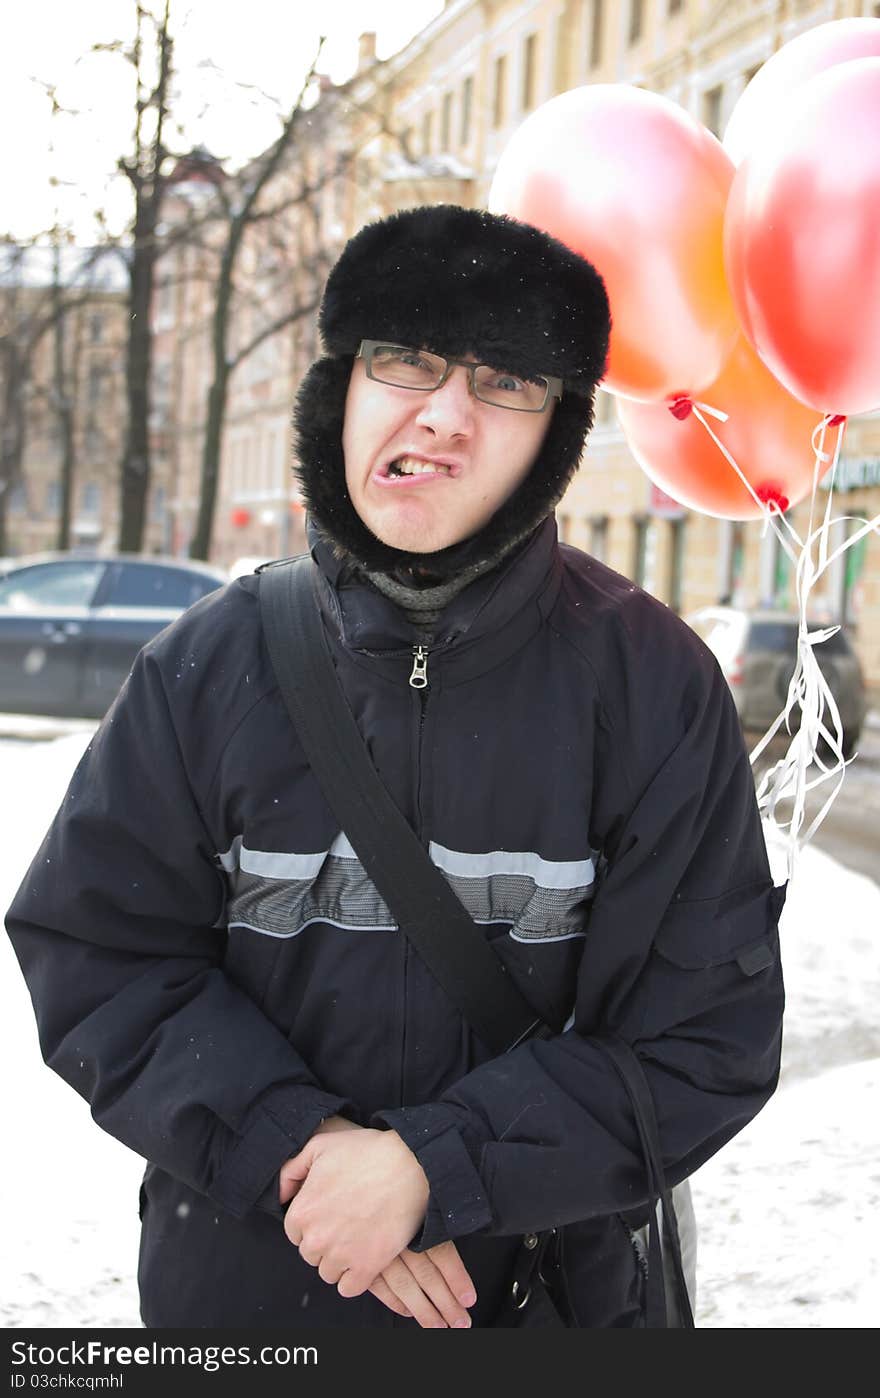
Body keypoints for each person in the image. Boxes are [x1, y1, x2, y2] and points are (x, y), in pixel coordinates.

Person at [5, 205, 785, 1329]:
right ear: (343, 391)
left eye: (505, 381)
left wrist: (432, 1166)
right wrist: (303, 1154)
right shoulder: (204, 666)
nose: (446, 415)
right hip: (251, 1307)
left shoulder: (651, 687)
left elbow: (705, 1038)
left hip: (541, 1304)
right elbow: (98, 953)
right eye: (406, 360)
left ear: (554, 436)